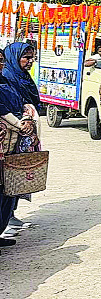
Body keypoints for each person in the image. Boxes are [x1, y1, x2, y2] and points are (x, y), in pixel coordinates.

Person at [0, 47, 35, 247]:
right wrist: (19, 123)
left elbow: (23, 102)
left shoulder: (7, 81)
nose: (1, 65)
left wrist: (27, 118)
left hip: (12, 145)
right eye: (26, 57)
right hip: (5, 141)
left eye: (2, 61)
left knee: (8, 189)